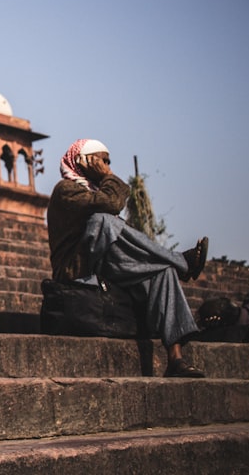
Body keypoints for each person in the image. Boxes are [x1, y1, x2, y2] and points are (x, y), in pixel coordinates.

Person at [46, 138, 209, 378]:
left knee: (162, 271)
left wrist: (105, 177)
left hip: (106, 267)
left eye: (108, 162)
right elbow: (111, 203)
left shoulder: (95, 190)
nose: (106, 166)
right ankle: (181, 261)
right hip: (77, 268)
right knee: (102, 220)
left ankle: (175, 358)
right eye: (101, 160)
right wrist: (108, 176)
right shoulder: (66, 190)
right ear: (83, 161)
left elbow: (111, 205)